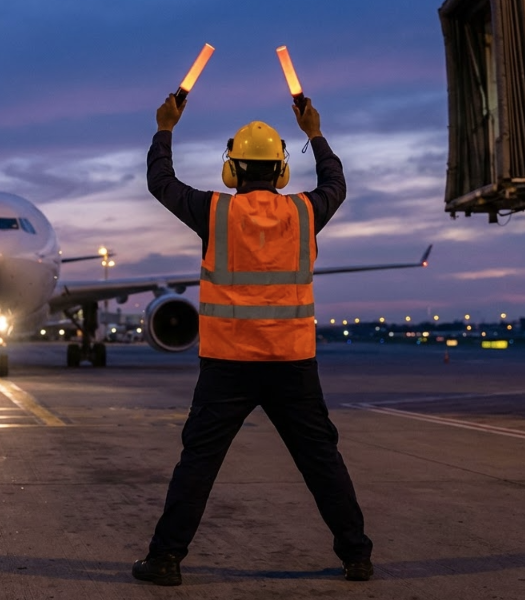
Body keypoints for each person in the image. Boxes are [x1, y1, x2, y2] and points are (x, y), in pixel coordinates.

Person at [132, 94, 374, 586]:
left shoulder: (214, 212)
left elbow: (161, 183)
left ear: (232, 171)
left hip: (228, 365)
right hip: (293, 363)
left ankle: (165, 560)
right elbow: (336, 183)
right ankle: (357, 557)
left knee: (198, 463)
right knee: (322, 462)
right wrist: (315, 133)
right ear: (281, 171)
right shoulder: (306, 213)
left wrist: (165, 129)